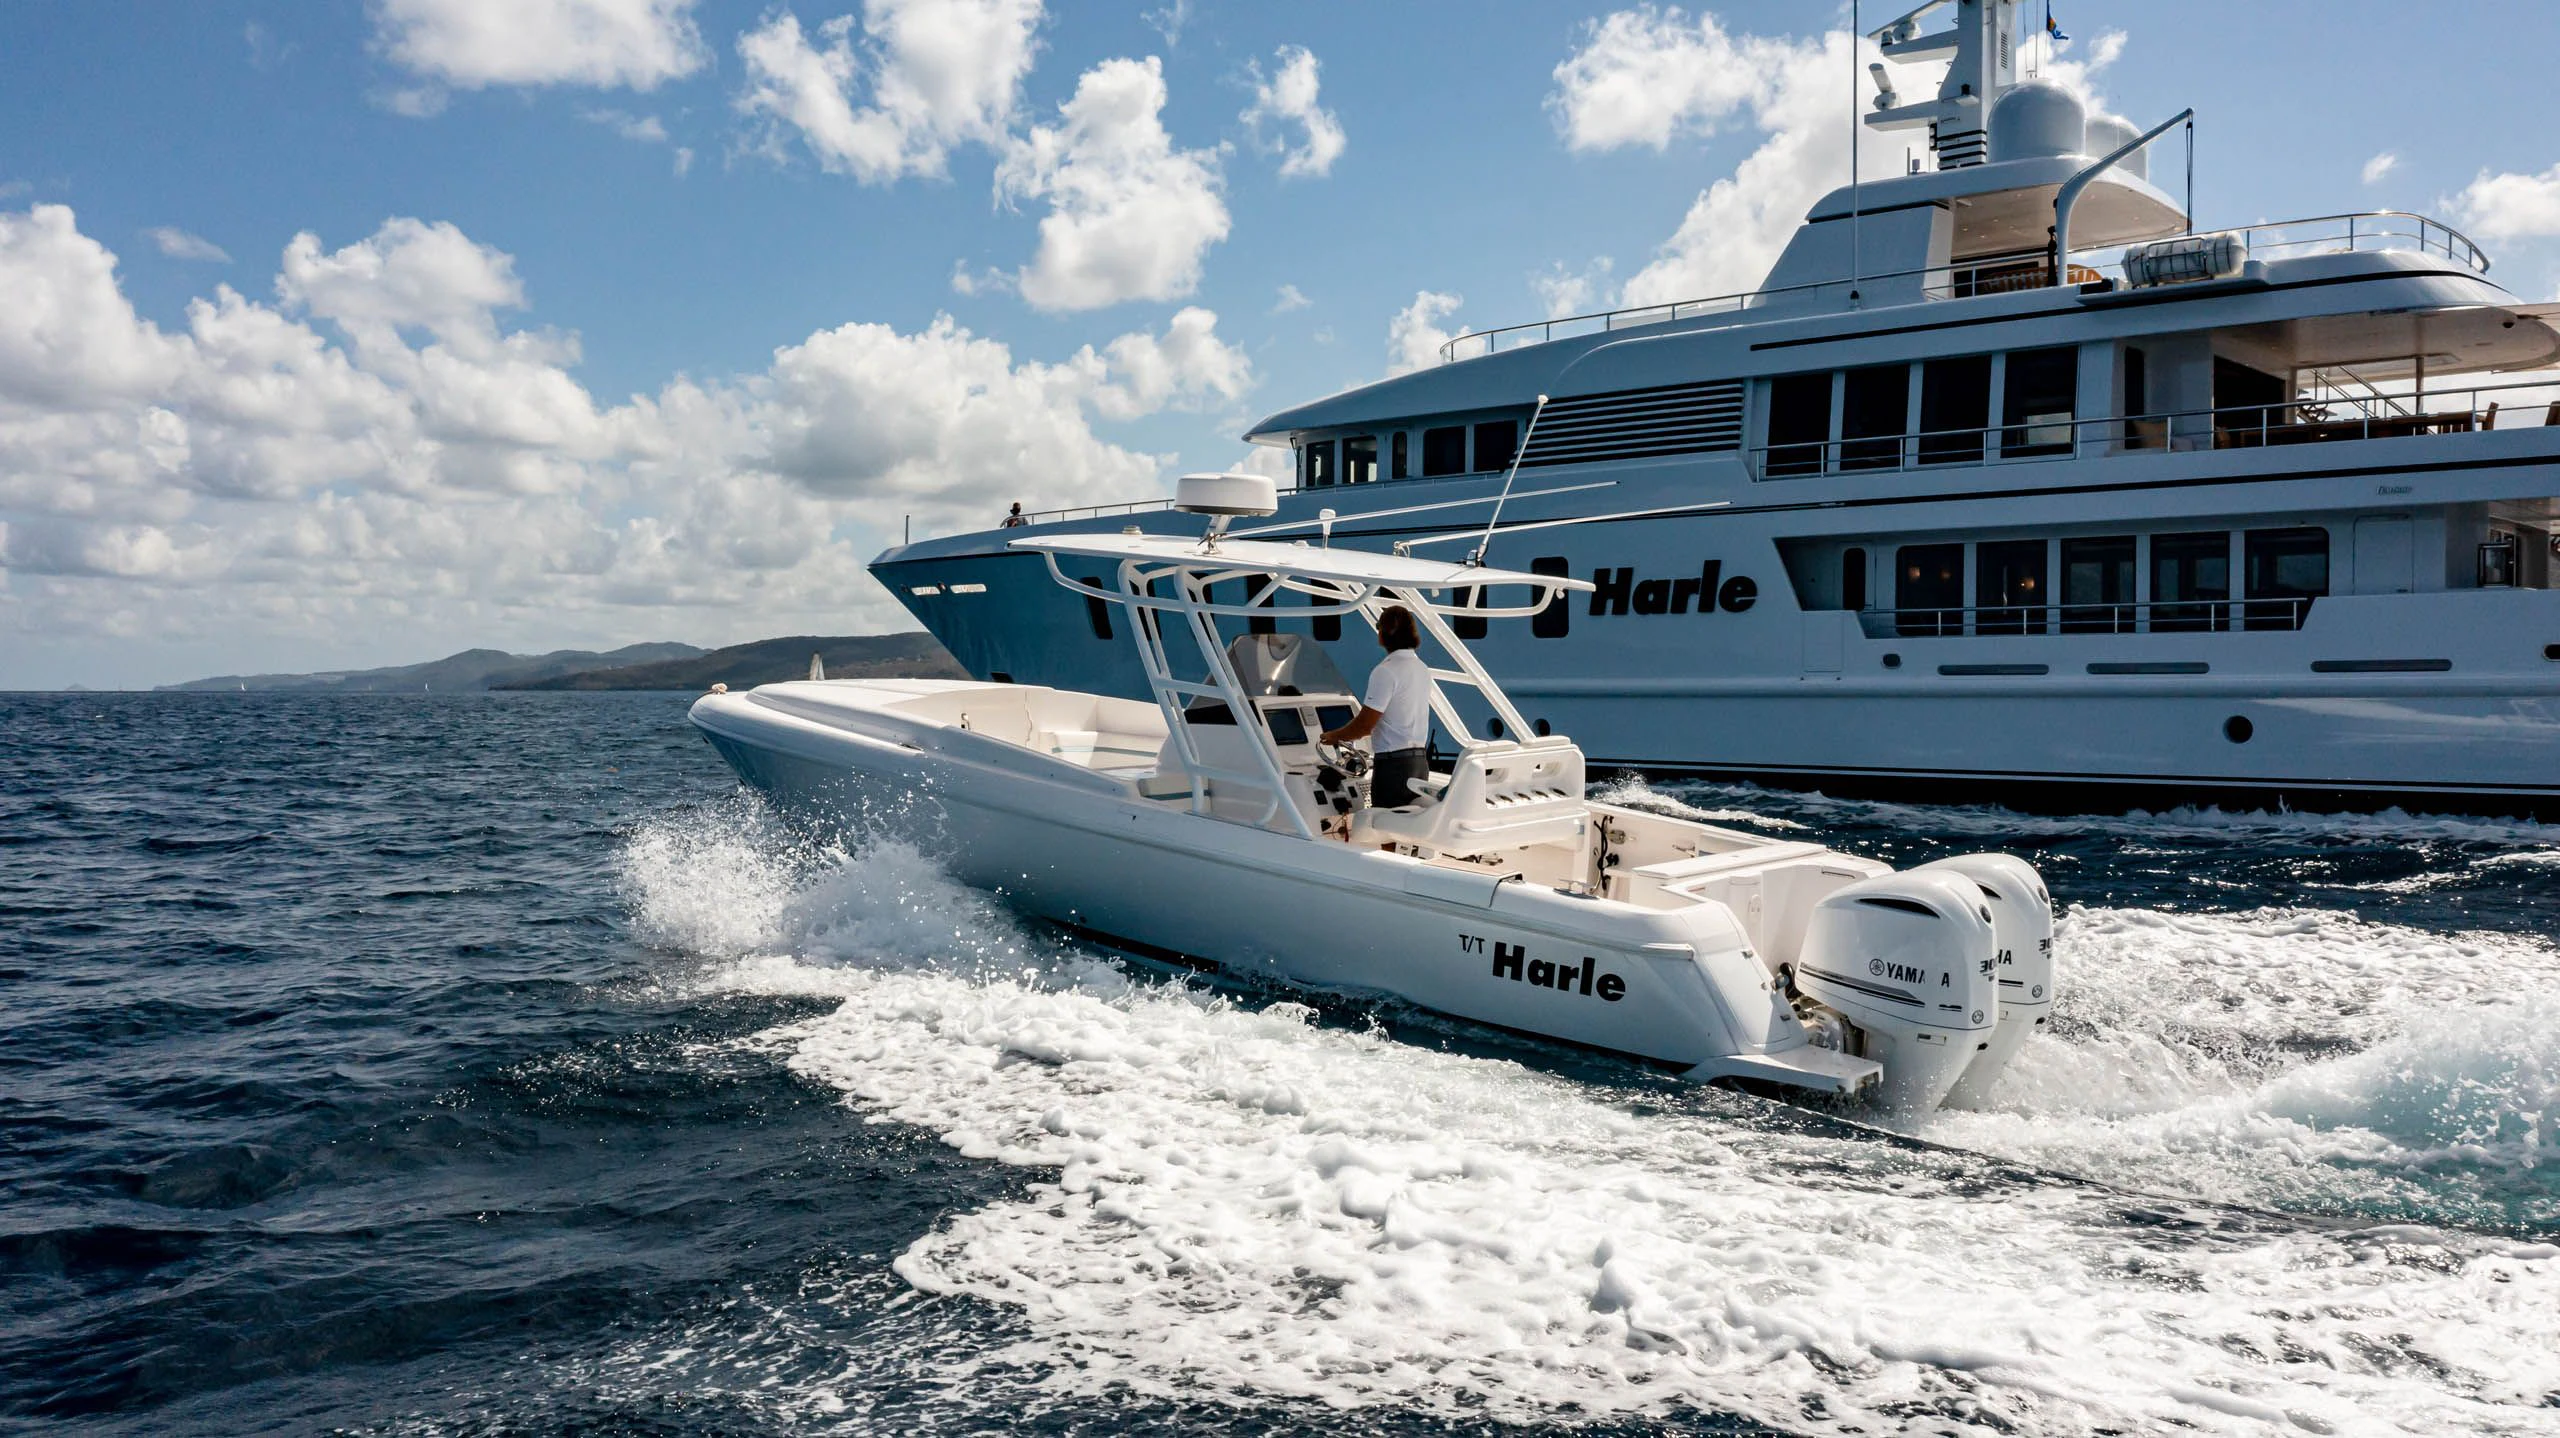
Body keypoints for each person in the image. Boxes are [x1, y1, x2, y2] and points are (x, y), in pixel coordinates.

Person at [1320, 604, 1434, 809]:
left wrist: (1334, 736)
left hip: (1394, 766)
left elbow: (1364, 726)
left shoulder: (1385, 671)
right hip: (1418, 763)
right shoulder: (1422, 669)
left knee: (1385, 827)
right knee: (1405, 825)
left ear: (1385, 633)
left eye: (1378, 626)